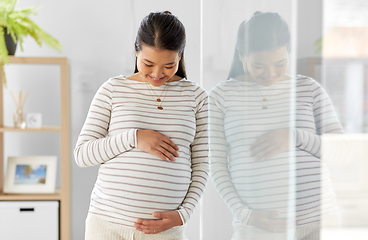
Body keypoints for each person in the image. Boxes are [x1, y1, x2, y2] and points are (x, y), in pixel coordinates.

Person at [209, 11, 349, 240]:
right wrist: (245, 215)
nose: (270, 73)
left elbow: (343, 152)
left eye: (279, 63)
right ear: (241, 54)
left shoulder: (308, 89)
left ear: (289, 53)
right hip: (256, 230)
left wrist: (295, 137)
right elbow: (216, 166)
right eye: (259, 65)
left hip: (320, 225)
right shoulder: (220, 96)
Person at [74, 11, 209, 240]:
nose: (157, 74)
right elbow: (82, 154)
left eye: (169, 65)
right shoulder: (113, 90)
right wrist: (134, 138)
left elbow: (202, 165)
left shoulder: (197, 97)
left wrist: (183, 214)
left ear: (180, 56)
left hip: (164, 231)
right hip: (107, 226)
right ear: (136, 49)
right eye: (148, 63)